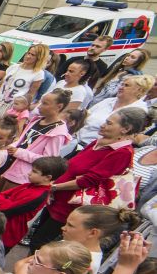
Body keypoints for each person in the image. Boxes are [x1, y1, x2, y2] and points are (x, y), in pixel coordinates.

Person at [28, 107, 146, 250]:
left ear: (125, 129)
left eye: (109, 123)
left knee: (42, 244)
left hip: (71, 207)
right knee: (37, 238)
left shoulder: (122, 153)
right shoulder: (99, 142)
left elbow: (89, 180)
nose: (103, 125)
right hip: (57, 198)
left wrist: (55, 186)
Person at [76, 73, 153, 147]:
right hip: (76, 139)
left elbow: (127, 137)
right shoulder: (108, 101)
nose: (120, 87)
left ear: (139, 90)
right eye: (122, 84)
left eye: (126, 85)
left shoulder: (138, 111)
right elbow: (85, 115)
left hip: (96, 147)